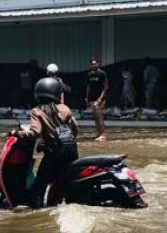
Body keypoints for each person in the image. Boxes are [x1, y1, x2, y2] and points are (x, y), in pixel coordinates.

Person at [15, 76, 79, 208]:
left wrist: (16, 133)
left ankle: (36, 209)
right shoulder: (65, 108)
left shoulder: (37, 111)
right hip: (72, 152)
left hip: (54, 155)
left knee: (40, 184)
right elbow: (75, 128)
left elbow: (34, 133)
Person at [86, 58, 109, 142]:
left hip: (100, 99)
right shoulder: (89, 74)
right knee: (95, 117)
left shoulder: (102, 73)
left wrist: (100, 99)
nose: (93, 65)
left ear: (98, 64)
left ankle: (103, 135)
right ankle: (99, 133)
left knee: (100, 117)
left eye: (95, 64)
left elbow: (105, 87)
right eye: (92, 64)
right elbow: (88, 86)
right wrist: (87, 96)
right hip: (92, 98)